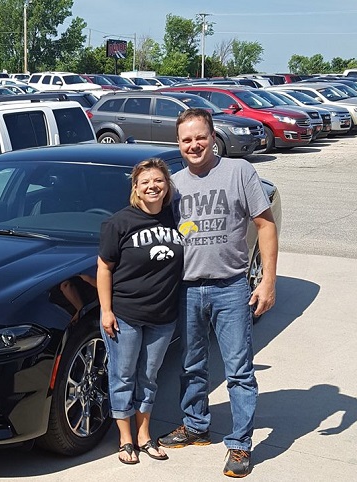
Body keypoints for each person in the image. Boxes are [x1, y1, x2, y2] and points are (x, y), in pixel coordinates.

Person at [158, 108, 278, 478]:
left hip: (230, 287)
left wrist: (268, 281)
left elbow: (265, 225)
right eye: (185, 140)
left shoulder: (238, 171)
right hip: (188, 288)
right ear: (177, 144)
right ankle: (195, 425)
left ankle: (240, 444)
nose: (193, 145)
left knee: (239, 370)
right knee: (192, 365)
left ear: (213, 137)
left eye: (200, 137)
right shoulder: (174, 184)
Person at [97, 158, 184, 464]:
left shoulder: (177, 218)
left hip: (163, 316)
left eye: (158, 181)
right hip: (125, 316)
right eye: (145, 182)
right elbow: (104, 268)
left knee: (148, 377)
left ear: (167, 185)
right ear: (135, 187)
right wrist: (106, 311)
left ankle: (144, 435)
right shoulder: (119, 223)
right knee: (122, 376)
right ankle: (125, 439)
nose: (152, 186)